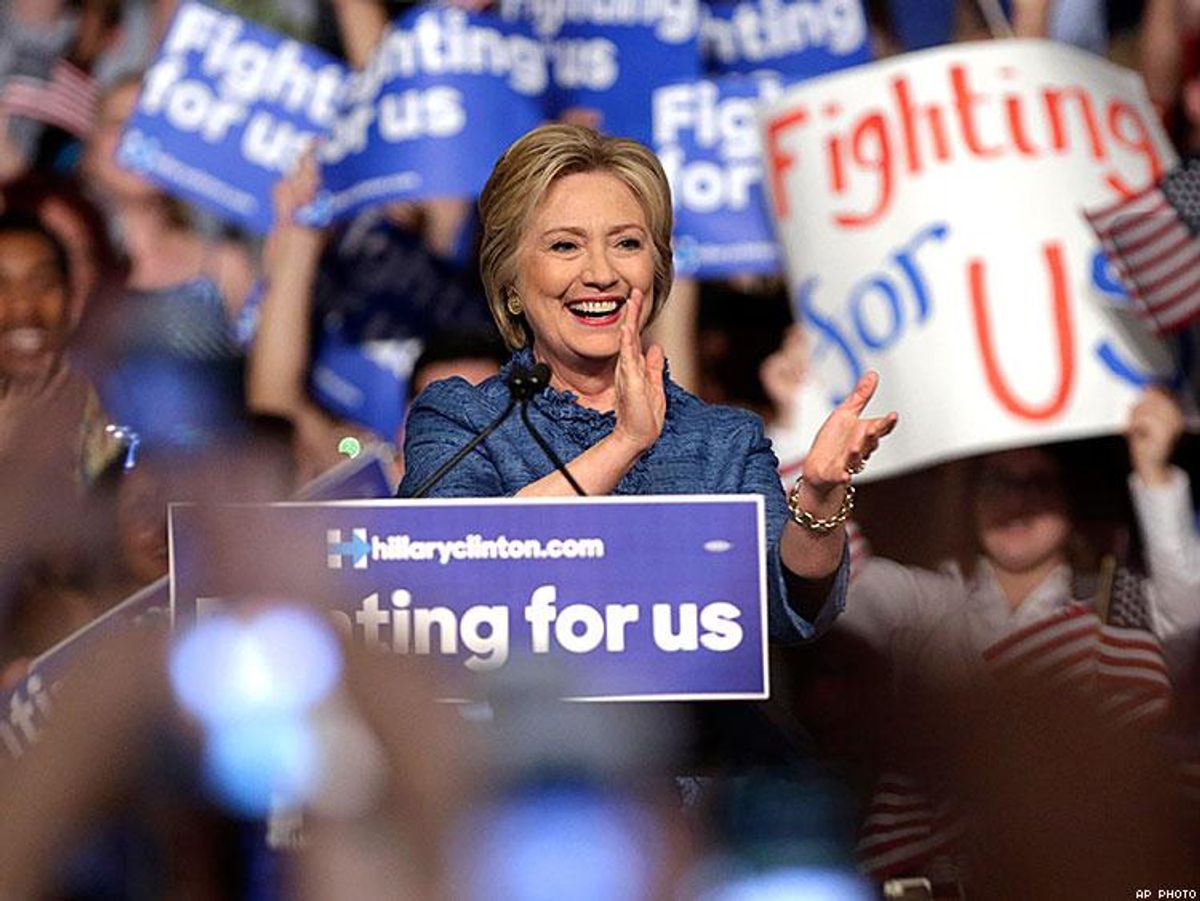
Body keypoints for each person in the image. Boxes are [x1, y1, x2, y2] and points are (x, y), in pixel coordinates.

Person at [398, 123, 898, 643]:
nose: (601, 273)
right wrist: (626, 443)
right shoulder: (460, 420)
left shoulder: (721, 440)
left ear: (656, 272)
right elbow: (449, 570)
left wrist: (817, 498)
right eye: (565, 245)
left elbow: (786, 606)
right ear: (511, 283)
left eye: (627, 243)